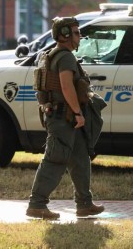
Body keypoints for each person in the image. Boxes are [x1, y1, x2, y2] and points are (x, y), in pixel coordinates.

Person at [26, 17, 105, 220]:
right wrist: (78, 113)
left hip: (62, 116)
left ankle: (84, 204)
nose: (80, 37)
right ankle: (37, 204)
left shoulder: (53, 55)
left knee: (80, 158)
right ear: (65, 35)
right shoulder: (66, 57)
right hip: (63, 118)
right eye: (77, 33)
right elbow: (67, 86)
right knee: (55, 158)